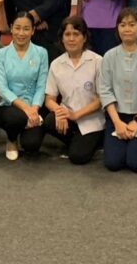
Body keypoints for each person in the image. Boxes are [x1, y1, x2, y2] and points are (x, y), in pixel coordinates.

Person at [98, 9, 137, 172]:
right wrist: (117, 122)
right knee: (113, 163)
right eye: (123, 25)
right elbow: (105, 91)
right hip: (116, 116)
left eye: (132, 25)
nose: (127, 29)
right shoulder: (109, 56)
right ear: (117, 28)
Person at [43, 16, 105, 164]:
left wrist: (75, 115)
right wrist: (60, 112)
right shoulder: (56, 64)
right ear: (62, 38)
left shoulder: (97, 61)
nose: (71, 39)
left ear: (84, 38)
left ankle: (93, 143)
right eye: (67, 34)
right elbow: (49, 100)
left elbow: (101, 100)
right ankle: (78, 141)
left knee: (78, 157)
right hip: (67, 116)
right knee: (49, 121)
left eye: (76, 34)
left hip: (91, 119)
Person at [0, 12, 49, 160]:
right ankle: (11, 139)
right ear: (11, 28)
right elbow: (1, 87)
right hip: (9, 106)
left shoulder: (41, 53)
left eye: (26, 29)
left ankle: (26, 130)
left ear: (33, 30)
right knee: (16, 118)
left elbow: (41, 86)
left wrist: (34, 109)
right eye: (17, 28)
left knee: (32, 145)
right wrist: (26, 109)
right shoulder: (0, 54)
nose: (21, 33)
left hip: (33, 105)